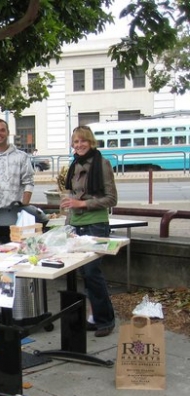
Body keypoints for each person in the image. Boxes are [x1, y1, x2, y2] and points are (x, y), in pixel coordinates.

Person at [61, 125, 118, 337]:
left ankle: (105, 320)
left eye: (83, 141)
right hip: (77, 224)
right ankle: (94, 318)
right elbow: (72, 198)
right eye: (75, 142)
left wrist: (81, 204)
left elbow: (112, 199)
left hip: (95, 223)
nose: (79, 145)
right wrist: (68, 223)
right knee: (84, 273)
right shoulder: (75, 165)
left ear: (91, 142)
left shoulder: (102, 164)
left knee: (93, 272)